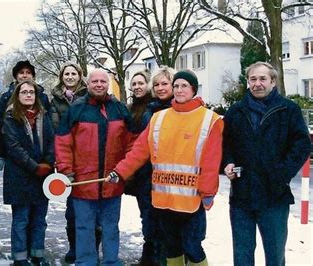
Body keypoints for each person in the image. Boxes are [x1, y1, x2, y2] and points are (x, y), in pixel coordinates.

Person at [106, 70, 223, 266]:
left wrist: (208, 192)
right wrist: (120, 171)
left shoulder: (210, 120)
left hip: (191, 200)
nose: (179, 90)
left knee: (193, 247)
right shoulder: (158, 118)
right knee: (171, 247)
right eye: (176, 86)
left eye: (184, 86)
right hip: (163, 198)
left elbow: (211, 161)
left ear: (193, 89)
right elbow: (139, 151)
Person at [222, 62, 310, 266]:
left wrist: (281, 174)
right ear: (247, 82)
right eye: (253, 79)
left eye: (263, 79)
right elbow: (226, 145)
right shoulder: (236, 111)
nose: (257, 84)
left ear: (273, 81)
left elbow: (302, 145)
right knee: (242, 254)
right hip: (242, 195)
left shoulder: (288, 110)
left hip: (274, 195)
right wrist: (228, 163)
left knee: (275, 255)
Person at [55, 69, 135, 265]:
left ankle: (111, 261)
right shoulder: (76, 109)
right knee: (83, 227)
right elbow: (63, 143)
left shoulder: (119, 109)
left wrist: (124, 170)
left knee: (111, 227)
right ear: (88, 84)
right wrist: (66, 171)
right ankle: (85, 261)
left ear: (108, 84)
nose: (99, 84)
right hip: (83, 183)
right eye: (95, 81)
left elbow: (132, 143)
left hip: (112, 181)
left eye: (103, 81)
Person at [49, 62, 100, 264]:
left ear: (80, 76)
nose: (70, 77)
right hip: (66, 159)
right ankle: (74, 248)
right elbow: (53, 128)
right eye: (66, 74)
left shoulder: (90, 98)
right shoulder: (55, 100)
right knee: (72, 210)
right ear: (62, 76)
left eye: (73, 73)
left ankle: (92, 249)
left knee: (93, 210)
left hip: (89, 160)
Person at [124, 68, 175, 266]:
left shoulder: (181, 109)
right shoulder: (149, 112)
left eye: (165, 84)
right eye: (157, 85)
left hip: (173, 178)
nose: (161, 88)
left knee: (170, 226)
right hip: (147, 175)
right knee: (149, 221)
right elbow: (140, 147)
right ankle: (151, 259)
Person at [1, 80, 55, 266]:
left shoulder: (43, 115)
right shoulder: (10, 117)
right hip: (20, 176)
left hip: (43, 177)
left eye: (31, 92)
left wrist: (48, 162)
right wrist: (35, 166)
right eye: (24, 92)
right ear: (18, 95)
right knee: (21, 220)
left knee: (39, 219)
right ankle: (20, 257)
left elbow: (51, 141)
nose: (28, 95)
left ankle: (38, 254)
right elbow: (14, 147)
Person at [0, 60, 51, 171]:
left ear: (33, 76)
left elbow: (49, 131)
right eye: (21, 72)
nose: (25, 75)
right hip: (16, 158)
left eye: (28, 72)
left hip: (40, 157)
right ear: (16, 76)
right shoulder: (6, 98)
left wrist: (49, 159)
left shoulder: (42, 97)